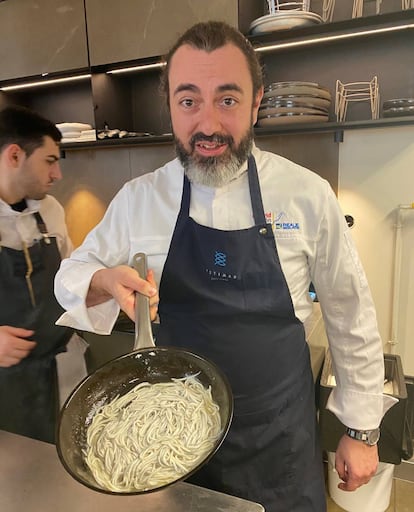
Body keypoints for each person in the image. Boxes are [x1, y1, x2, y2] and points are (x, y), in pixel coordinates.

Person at [54, 21, 397, 511]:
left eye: (228, 100)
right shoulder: (139, 200)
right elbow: (71, 275)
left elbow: (350, 312)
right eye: (189, 100)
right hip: (171, 441)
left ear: (257, 102)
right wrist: (103, 280)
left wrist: (362, 429)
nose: (208, 124)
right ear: (169, 104)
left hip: (278, 440)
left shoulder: (306, 194)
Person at [0, 105, 75, 444]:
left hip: (56, 372)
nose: (57, 174)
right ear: (15, 155)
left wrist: (99, 286)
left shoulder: (51, 211)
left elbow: (69, 277)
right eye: (49, 160)